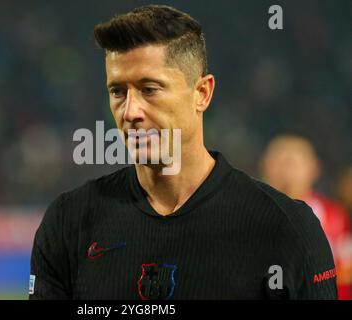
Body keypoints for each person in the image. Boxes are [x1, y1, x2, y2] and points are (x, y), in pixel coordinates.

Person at [30, 5, 336, 300]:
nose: (130, 111)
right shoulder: (68, 223)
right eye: (117, 92)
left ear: (202, 93)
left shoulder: (287, 228)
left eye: (150, 89)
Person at [261, 134, 352, 299]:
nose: (286, 172)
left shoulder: (335, 218)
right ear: (265, 165)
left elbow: (345, 278)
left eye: (293, 163)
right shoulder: (246, 212)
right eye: (279, 162)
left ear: (314, 169)